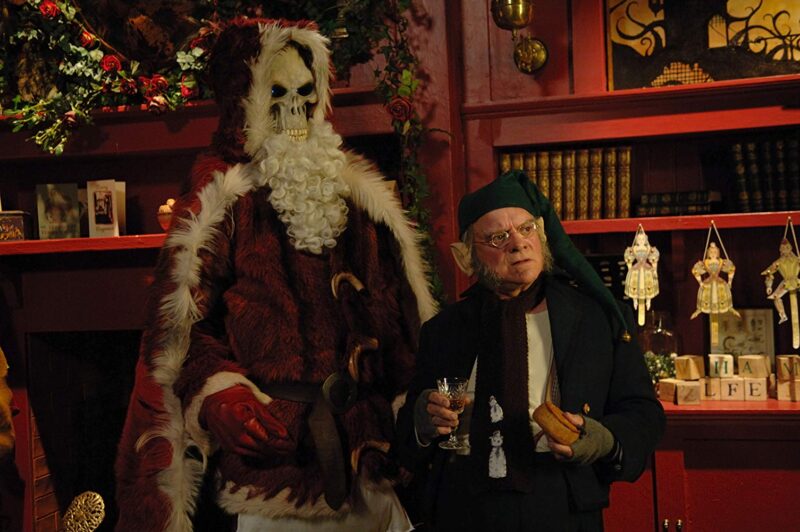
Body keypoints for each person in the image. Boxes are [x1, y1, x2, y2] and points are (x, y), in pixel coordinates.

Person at [114, 18, 437, 532]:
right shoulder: (222, 200)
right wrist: (221, 396)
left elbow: (397, 325)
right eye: (277, 95)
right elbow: (182, 333)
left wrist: (411, 406)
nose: (295, 112)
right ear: (244, 101)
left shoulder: (360, 200)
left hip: (370, 465)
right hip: (277, 471)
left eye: (306, 94)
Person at [394, 170, 665, 531]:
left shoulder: (597, 319)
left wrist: (605, 440)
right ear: (465, 257)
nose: (518, 244)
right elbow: (406, 442)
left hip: (562, 500)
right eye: (498, 237)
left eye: (526, 229)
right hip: (463, 506)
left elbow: (644, 413)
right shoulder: (443, 330)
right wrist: (422, 423)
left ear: (543, 236)